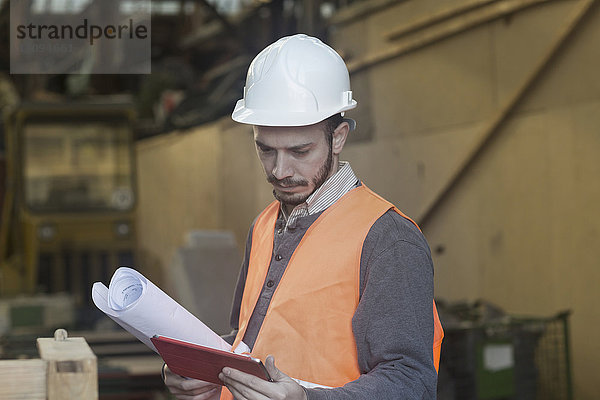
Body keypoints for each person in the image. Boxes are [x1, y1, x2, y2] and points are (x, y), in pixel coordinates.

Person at [163, 33, 443, 400]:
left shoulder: (388, 238)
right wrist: (202, 370)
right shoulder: (265, 224)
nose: (280, 170)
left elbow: (411, 382)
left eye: (300, 151)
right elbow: (251, 342)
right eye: (266, 149)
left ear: (338, 138)